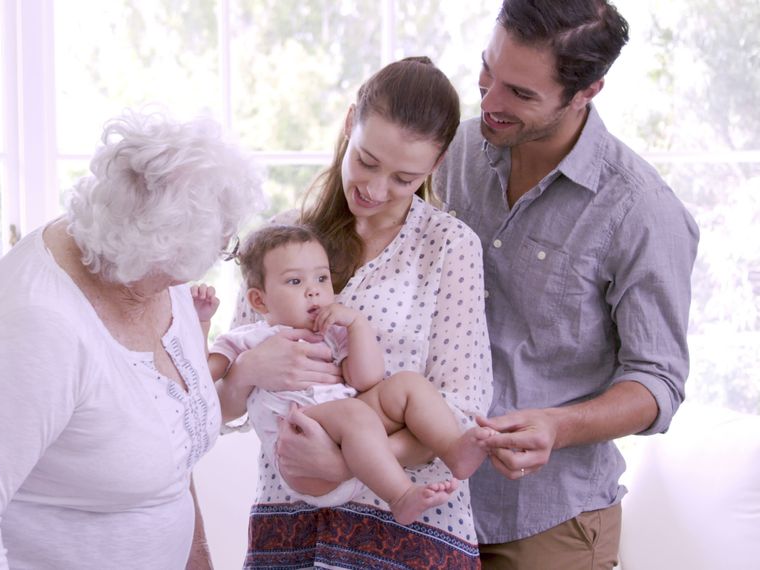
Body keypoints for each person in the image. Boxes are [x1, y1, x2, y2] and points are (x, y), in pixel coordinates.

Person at [0, 110, 264, 570]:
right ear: (154, 249)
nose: (217, 257)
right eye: (217, 248)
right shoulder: (42, 328)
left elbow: (172, 444)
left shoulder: (153, 270)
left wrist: (198, 559)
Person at [431, 1, 700, 568]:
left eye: (521, 94)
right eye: (488, 73)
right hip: (430, 501)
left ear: (587, 91)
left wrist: (558, 425)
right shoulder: (451, 152)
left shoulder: (641, 210)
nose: (490, 102)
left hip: (548, 521)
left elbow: (658, 381)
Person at [213, 56, 493, 569]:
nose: (376, 189)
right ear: (349, 124)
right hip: (291, 514)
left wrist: (345, 462)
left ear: (436, 165)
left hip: (412, 525)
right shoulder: (280, 241)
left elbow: (460, 406)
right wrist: (250, 371)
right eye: (365, 160)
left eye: (404, 178)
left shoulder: (448, 247)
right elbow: (225, 401)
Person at [195, 224, 490, 525]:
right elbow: (201, 382)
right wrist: (203, 323)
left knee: (406, 385)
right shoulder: (248, 339)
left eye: (322, 278)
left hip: (354, 439)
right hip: (302, 459)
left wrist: (357, 325)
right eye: (295, 281)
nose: (314, 290)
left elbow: (366, 381)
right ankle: (401, 496)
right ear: (259, 301)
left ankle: (453, 450)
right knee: (353, 412)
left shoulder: (332, 332)